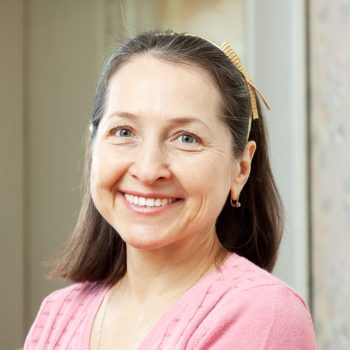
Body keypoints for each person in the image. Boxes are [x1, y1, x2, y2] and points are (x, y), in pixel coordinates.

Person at [24, 31, 317, 349]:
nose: (148, 170)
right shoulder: (58, 314)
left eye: (186, 138)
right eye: (124, 131)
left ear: (240, 169)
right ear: (93, 147)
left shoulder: (263, 314)